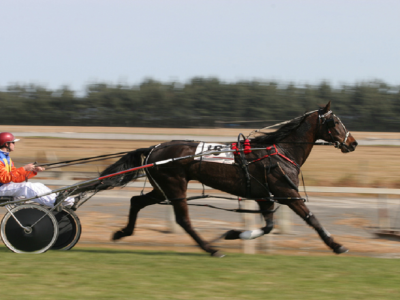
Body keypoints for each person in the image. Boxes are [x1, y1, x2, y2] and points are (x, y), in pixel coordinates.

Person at [0, 132, 74, 207]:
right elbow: (4, 178)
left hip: (4, 187)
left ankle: (68, 201)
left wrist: (32, 171)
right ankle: (55, 203)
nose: (14, 144)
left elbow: (15, 178)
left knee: (38, 185)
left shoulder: (7, 158)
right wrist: (24, 168)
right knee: (27, 187)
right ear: (7, 144)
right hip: (1, 188)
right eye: (13, 142)